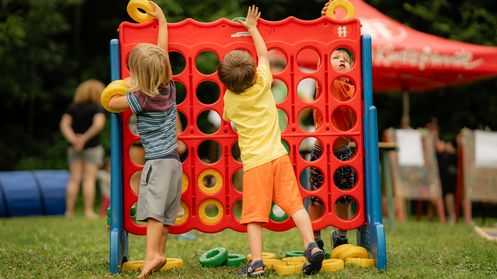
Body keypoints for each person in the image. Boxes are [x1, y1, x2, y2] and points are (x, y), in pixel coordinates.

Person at [219, 6, 324, 276]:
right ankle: (311, 245)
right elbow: (264, 55)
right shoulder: (263, 81)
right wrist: (253, 28)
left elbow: (227, 119)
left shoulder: (230, 99)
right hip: (279, 155)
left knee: (254, 214)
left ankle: (256, 263)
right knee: (295, 205)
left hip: (255, 163)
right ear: (254, 74)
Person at [105, 3, 181, 278]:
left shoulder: (141, 97)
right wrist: (161, 20)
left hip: (158, 163)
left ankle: (152, 255)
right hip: (174, 162)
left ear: (139, 77)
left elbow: (112, 102)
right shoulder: (169, 85)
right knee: (165, 213)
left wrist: (123, 87)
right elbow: (161, 53)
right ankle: (159, 252)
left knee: (153, 212)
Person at [307, 47, 356, 251]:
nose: (342, 60)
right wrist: (326, 34)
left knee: (344, 195)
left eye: (346, 59)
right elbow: (322, 60)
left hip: (344, 151)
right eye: (336, 57)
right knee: (318, 197)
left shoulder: (352, 88)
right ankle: (315, 236)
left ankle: (341, 235)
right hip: (321, 150)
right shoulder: (325, 82)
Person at [60, 79, 106, 219]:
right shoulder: (97, 108)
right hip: (92, 147)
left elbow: (64, 125)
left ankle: (69, 211)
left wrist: (74, 139)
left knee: (74, 179)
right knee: (89, 179)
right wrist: (84, 139)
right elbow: (98, 125)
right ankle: (88, 211)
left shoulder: (73, 107)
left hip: (74, 148)